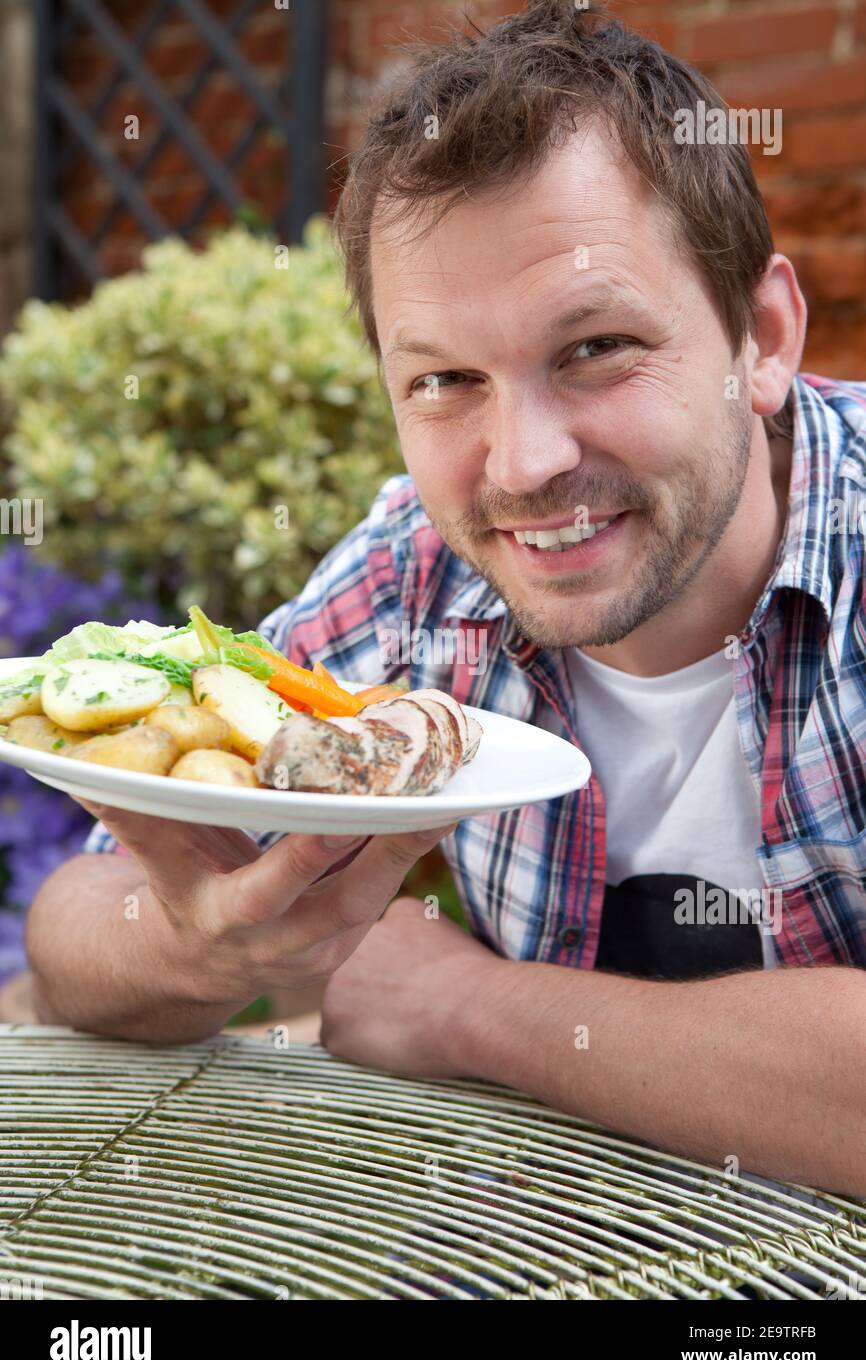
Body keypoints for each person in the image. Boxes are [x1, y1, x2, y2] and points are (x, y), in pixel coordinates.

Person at [26, 2, 866, 1197]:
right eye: (443, 380)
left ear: (762, 336)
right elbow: (77, 921)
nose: (520, 463)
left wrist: (470, 1006)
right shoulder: (416, 567)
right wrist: (193, 941)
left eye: (595, 349)